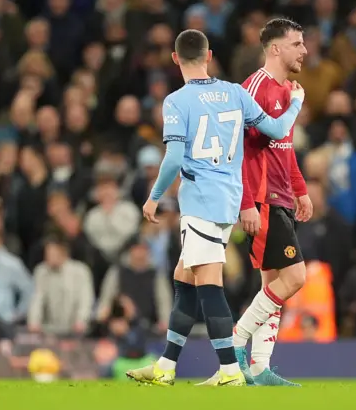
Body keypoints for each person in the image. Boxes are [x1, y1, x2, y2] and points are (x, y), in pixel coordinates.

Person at [126, 29, 304, 386]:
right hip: (228, 200)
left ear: (175, 59)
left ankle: (229, 370)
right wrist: (296, 104)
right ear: (209, 56)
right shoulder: (235, 93)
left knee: (208, 284)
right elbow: (274, 129)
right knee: (184, 278)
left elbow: (174, 157)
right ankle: (165, 366)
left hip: (201, 202)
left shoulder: (176, 101)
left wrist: (155, 195)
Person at [235, 18, 313, 387]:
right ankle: (236, 341)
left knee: (273, 284)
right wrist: (247, 203)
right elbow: (242, 151)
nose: (305, 51)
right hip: (264, 198)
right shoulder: (254, 88)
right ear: (275, 48)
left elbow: (284, 148)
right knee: (295, 277)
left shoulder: (286, 90)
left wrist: (301, 189)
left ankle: (260, 367)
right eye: (297, 44)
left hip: (281, 195)